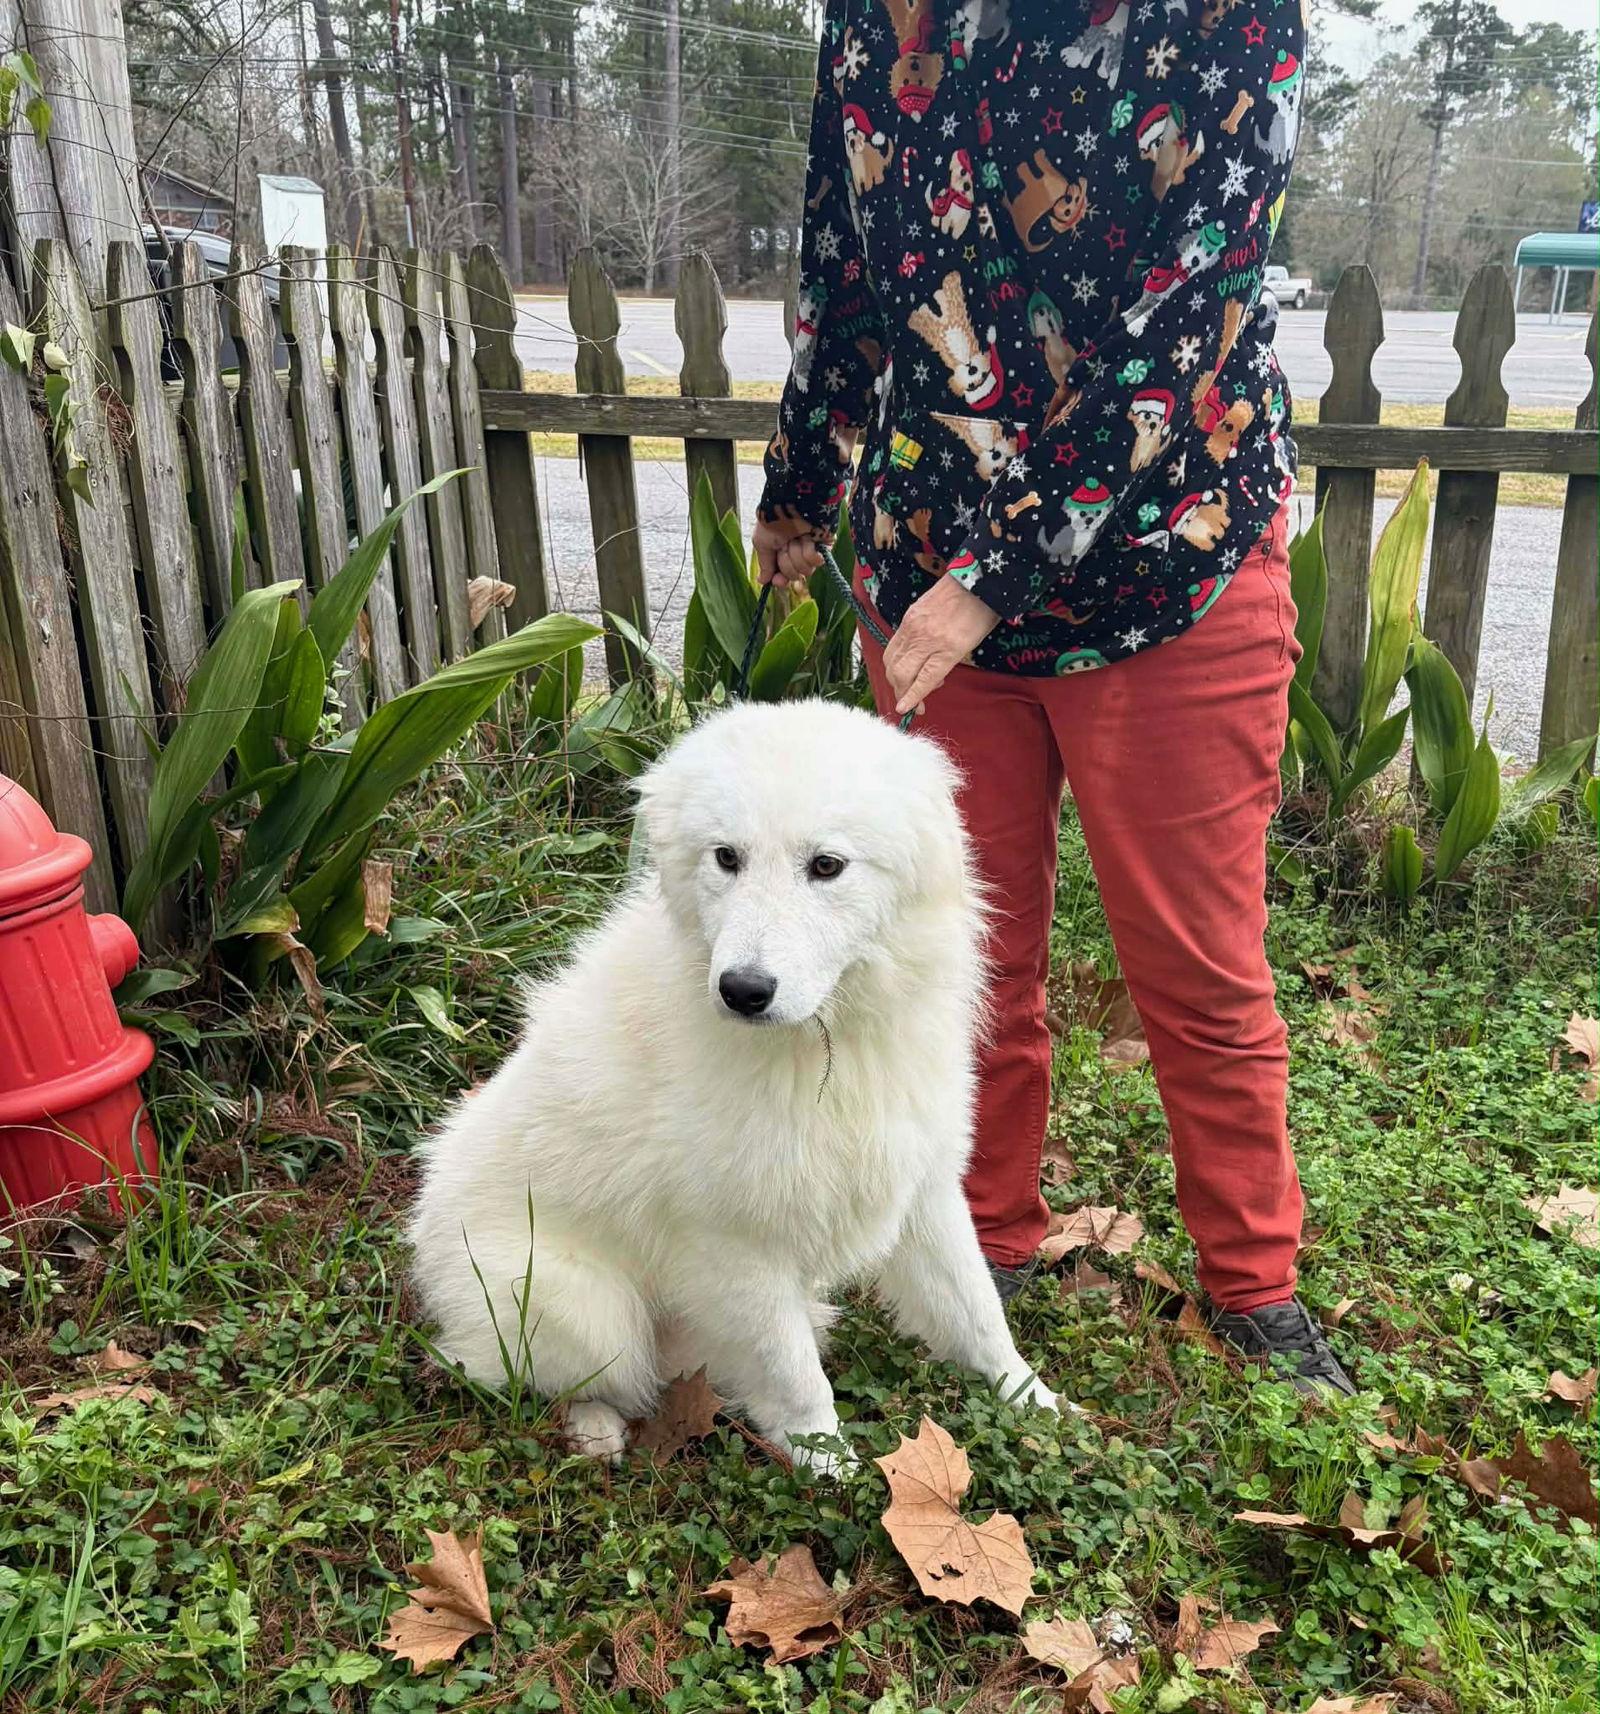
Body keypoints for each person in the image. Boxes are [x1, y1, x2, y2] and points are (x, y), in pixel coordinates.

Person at [754, 0, 1355, 1395]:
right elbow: (845, 258)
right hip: (928, 576)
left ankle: (1253, 1285)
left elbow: (1190, 317)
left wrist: (993, 577)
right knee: (964, 951)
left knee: (1195, 963)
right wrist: (804, 483)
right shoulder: (877, 20)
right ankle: (985, 1236)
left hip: (1168, 566)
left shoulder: (1226, 19)